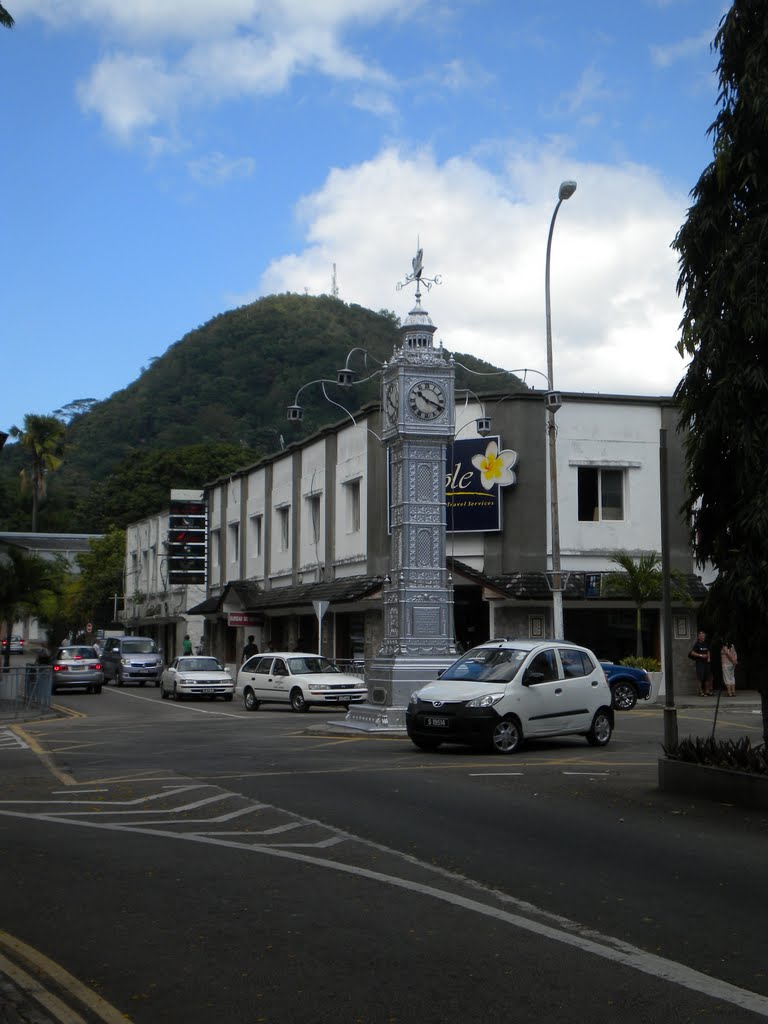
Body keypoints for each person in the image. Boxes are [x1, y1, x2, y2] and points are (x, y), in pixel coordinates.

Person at [689, 629, 712, 696]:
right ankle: (700, 691)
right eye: (701, 636)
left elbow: (708, 651)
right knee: (700, 677)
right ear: (698, 637)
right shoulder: (697, 644)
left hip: (706, 663)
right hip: (700, 663)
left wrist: (709, 658)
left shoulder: (706, 643)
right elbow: (692, 653)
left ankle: (707, 690)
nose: (702, 637)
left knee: (707, 677)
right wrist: (701, 655)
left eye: (703, 636)